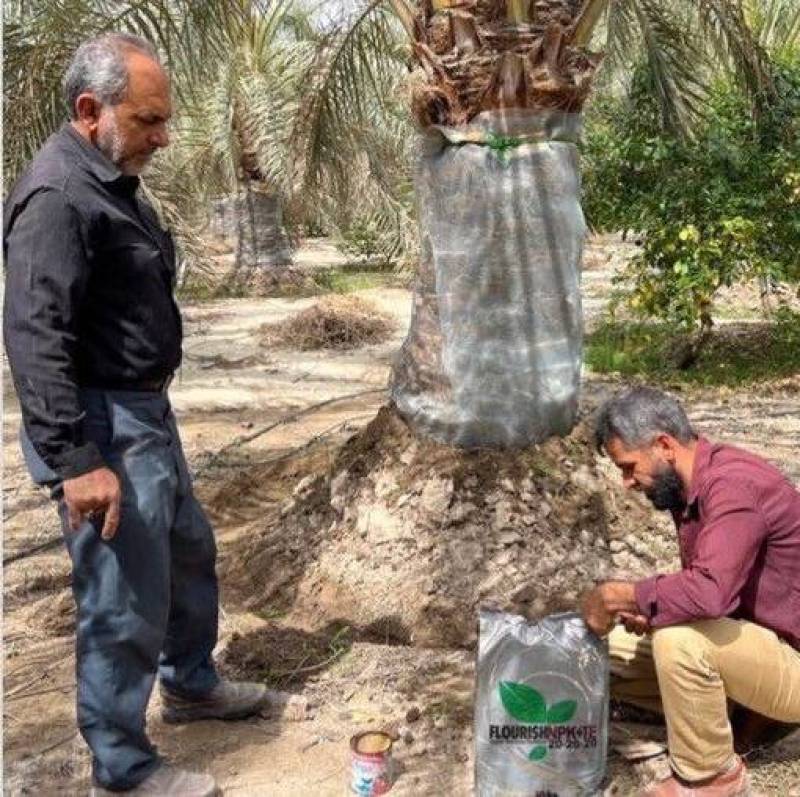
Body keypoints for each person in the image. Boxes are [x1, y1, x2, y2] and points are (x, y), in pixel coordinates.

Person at [4, 34, 267, 797]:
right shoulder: (58, 196)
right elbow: (34, 333)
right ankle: (120, 766)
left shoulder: (109, 179)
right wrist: (77, 459)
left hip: (146, 411)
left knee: (187, 552)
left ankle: (190, 683)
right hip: (102, 423)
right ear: (91, 111)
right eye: (149, 120)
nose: (164, 136)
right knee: (121, 596)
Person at [580, 386, 800, 796]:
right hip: (758, 643)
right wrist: (652, 606)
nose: (627, 483)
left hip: (793, 662)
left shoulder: (733, 486)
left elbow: (711, 593)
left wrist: (618, 595)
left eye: (628, 467)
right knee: (598, 652)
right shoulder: (687, 484)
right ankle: (729, 714)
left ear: (663, 445)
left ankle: (712, 774)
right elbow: (718, 590)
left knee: (679, 640)